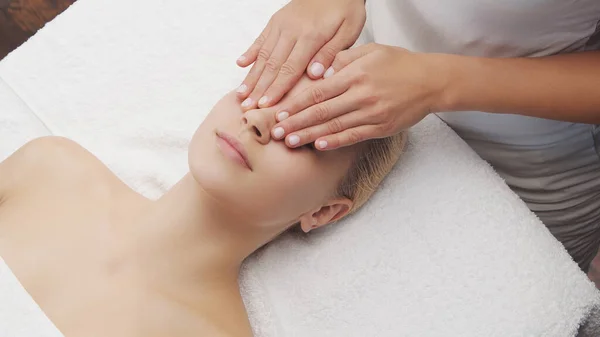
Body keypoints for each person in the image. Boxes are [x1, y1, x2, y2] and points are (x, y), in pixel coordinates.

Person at [0, 75, 405, 336]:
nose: (260, 120)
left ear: (323, 212)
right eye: (268, 89)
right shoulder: (51, 167)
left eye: (308, 131)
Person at [235, 0, 600, 284]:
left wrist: (439, 82)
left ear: (325, 213)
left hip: (522, 166)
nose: (253, 120)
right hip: (371, 65)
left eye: (302, 141)